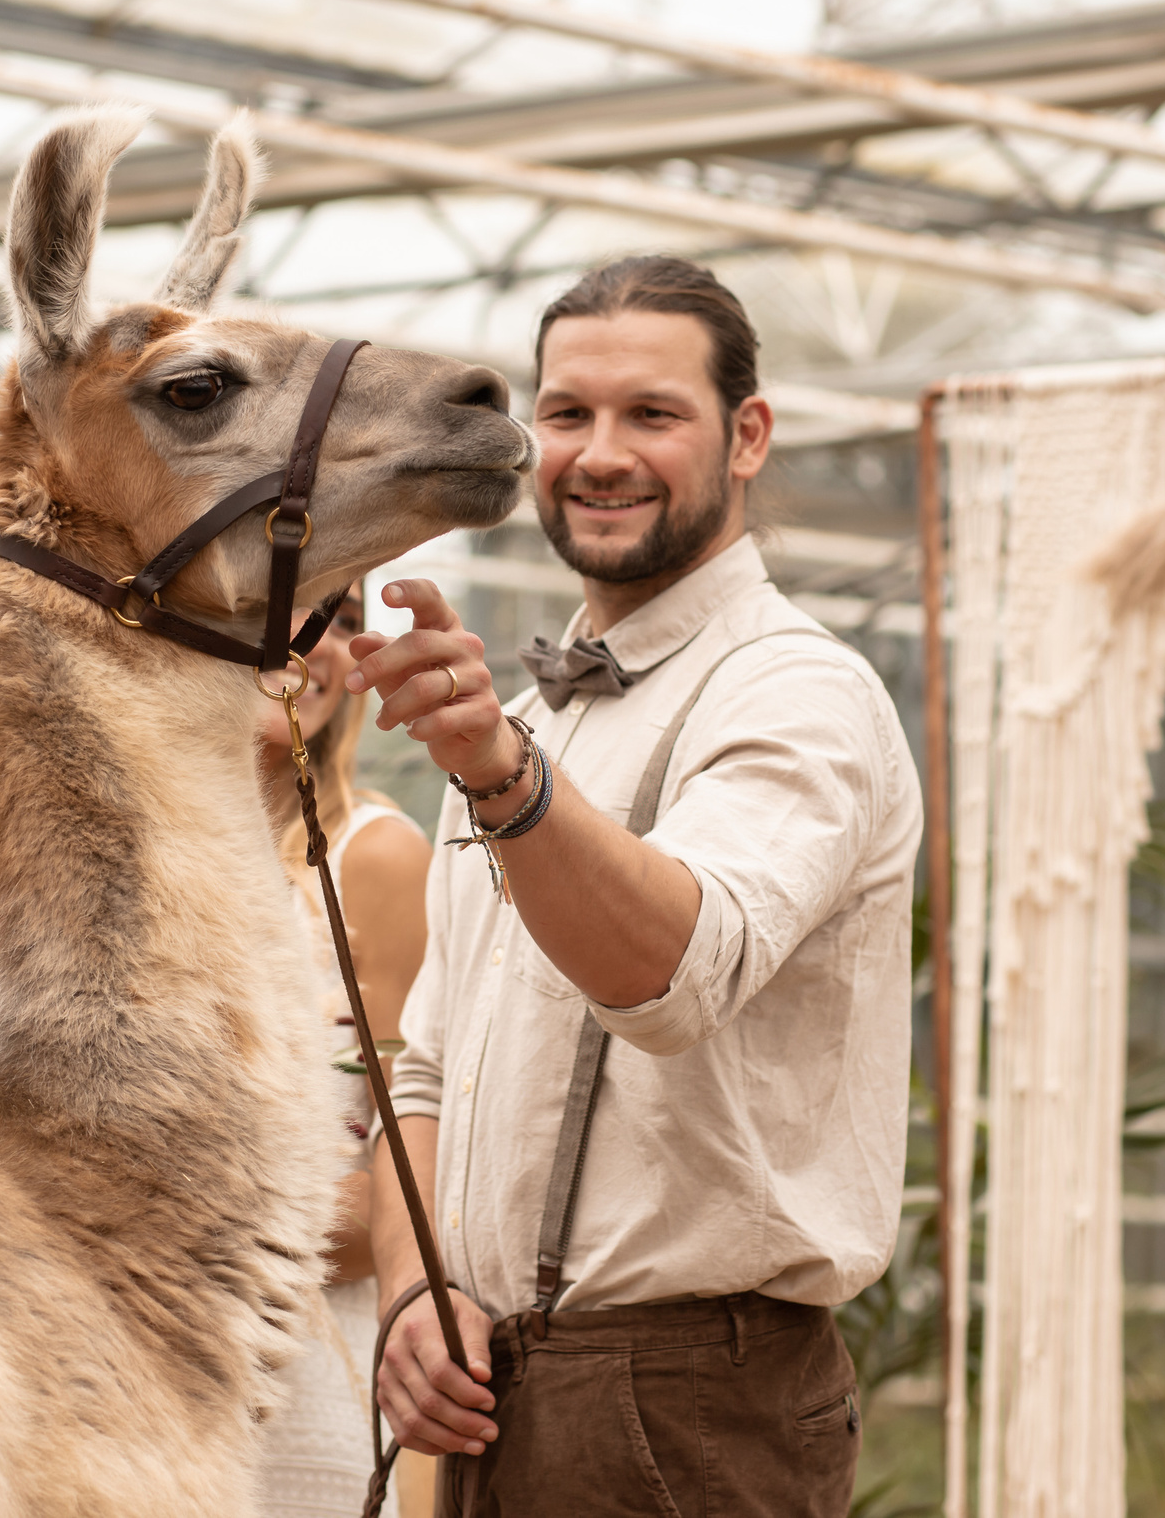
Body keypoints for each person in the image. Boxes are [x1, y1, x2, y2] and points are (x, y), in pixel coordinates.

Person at [345, 255, 922, 1516]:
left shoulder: (794, 692)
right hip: (493, 1383)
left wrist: (500, 775)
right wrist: (412, 1279)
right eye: (567, 415)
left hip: (690, 1399)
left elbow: (670, 976)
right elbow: (426, 1069)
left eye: (651, 415)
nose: (600, 453)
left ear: (747, 434)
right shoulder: (517, 719)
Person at [250, 588, 433, 1518]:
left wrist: (147, 1206)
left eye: (335, 609)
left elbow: (406, 1183)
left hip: (304, 1380)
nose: (304, 639)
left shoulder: (378, 857)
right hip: (124, 1364)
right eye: (271, 601)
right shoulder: (112, 861)